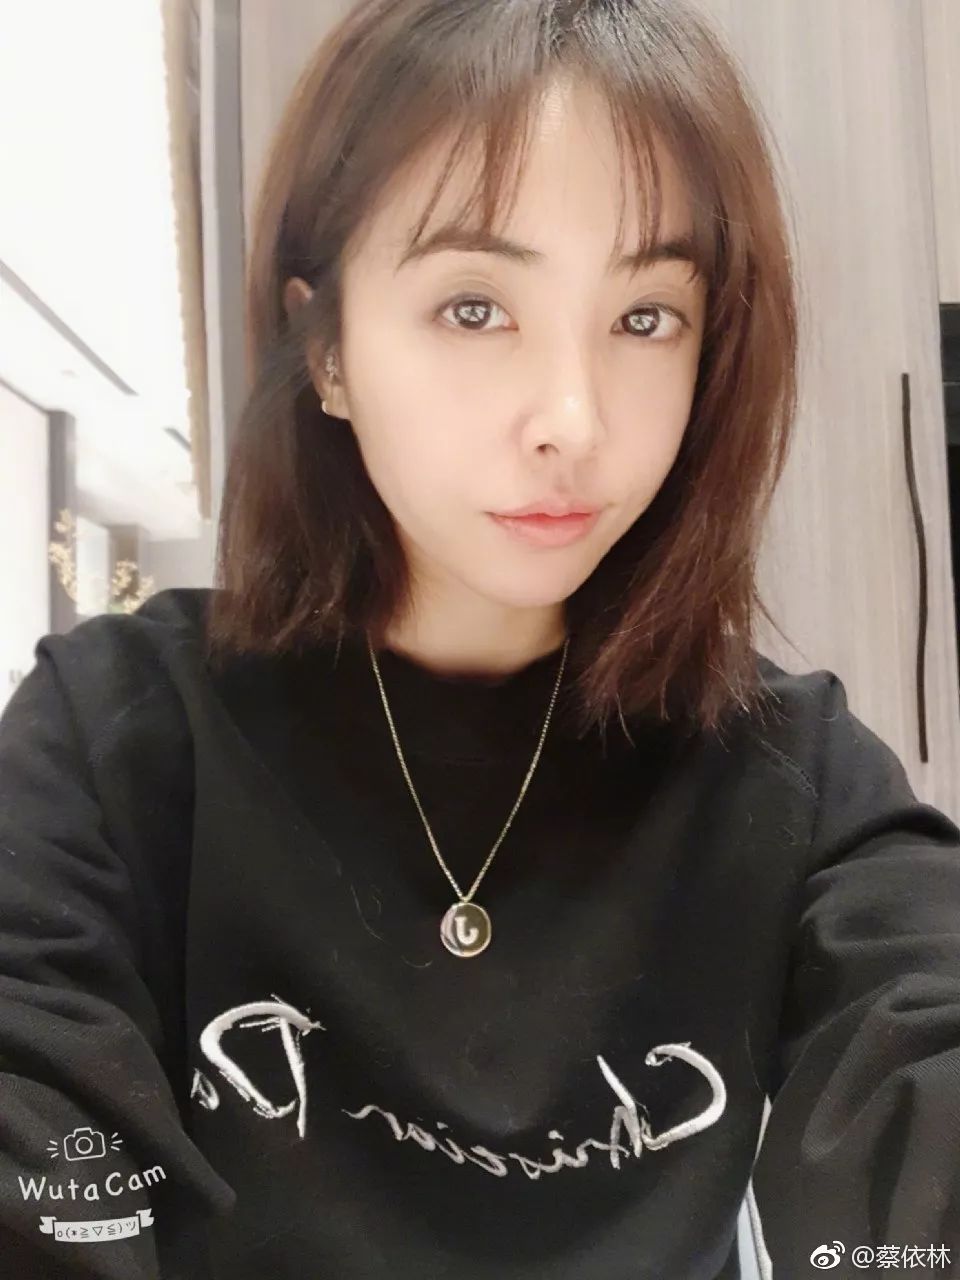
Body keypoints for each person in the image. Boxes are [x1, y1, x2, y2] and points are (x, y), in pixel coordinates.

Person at [1, 0, 959, 1276]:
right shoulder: (116, 734)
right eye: (473, 306)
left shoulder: (793, 769)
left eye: (645, 317)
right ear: (326, 349)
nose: (573, 418)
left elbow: (922, 1059)